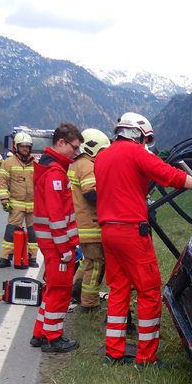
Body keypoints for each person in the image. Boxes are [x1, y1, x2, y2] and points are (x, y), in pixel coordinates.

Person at [93, 112, 192, 368]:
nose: (147, 143)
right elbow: (171, 176)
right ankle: (146, 357)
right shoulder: (136, 153)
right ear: (138, 133)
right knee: (149, 291)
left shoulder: (102, 157)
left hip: (108, 231)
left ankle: (114, 352)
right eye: (147, 138)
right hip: (131, 231)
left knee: (118, 290)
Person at [29, 123, 83, 353]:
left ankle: (39, 334)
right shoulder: (54, 173)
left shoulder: (51, 168)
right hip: (56, 245)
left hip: (52, 244)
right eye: (74, 147)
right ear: (61, 142)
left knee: (51, 289)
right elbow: (56, 217)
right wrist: (65, 249)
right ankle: (53, 338)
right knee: (60, 292)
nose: (76, 152)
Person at [68, 128, 110, 313]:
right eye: (101, 151)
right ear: (93, 148)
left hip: (81, 224)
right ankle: (90, 303)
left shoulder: (76, 164)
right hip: (90, 225)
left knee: (87, 262)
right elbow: (91, 193)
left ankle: (76, 291)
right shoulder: (87, 165)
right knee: (96, 264)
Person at [0, 132, 38, 268]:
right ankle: (5, 258)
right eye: (22, 146)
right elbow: (2, 183)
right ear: (16, 147)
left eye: (27, 146)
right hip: (15, 205)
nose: (25, 149)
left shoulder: (35, 164)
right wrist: (4, 201)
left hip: (33, 205)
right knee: (11, 232)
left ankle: (32, 258)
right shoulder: (8, 163)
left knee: (33, 233)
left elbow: (41, 184)